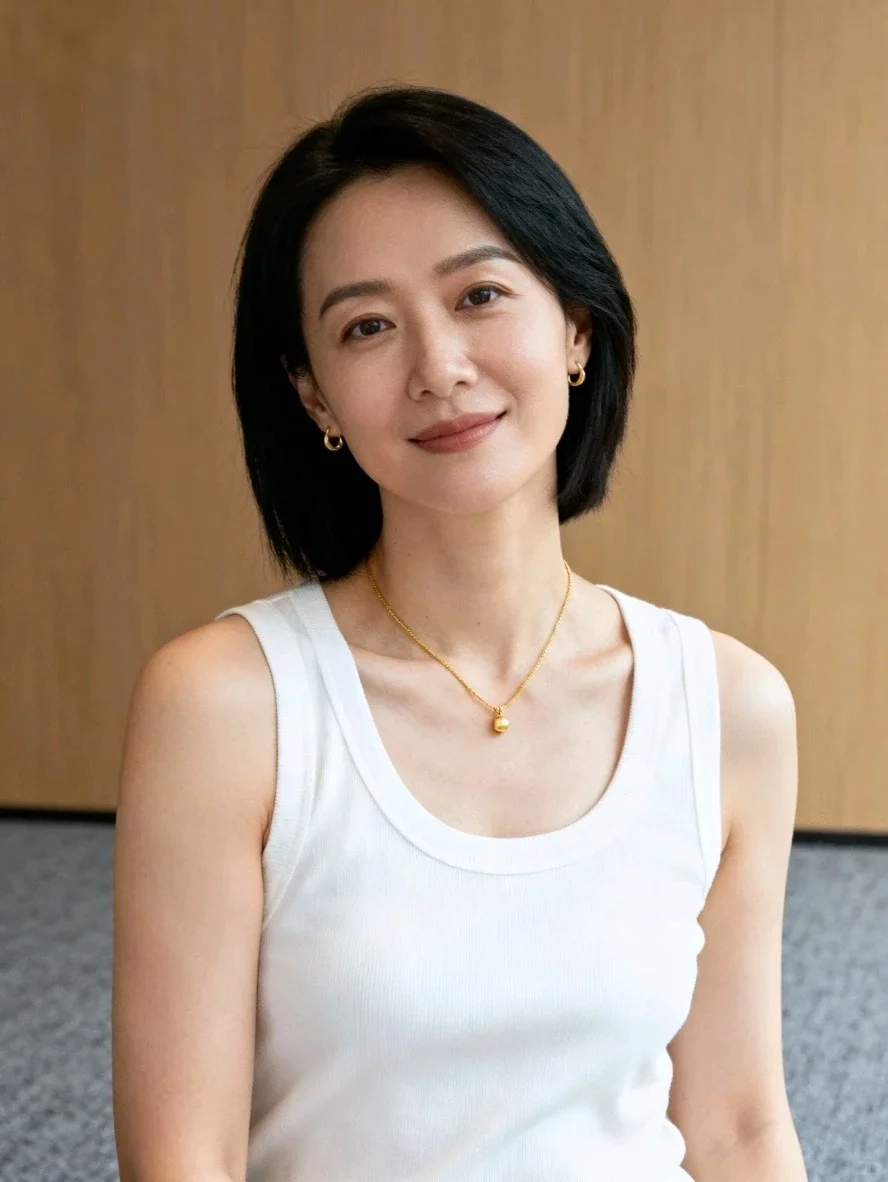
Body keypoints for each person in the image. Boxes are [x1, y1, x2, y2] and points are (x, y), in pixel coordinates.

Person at [111, 84, 807, 1181]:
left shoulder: (730, 707)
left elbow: (737, 1126)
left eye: (480, 295)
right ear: (314, 396)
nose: (438, 367)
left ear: (576, 327)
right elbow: (182, 1158)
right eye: (368, 326)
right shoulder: (224, 707)